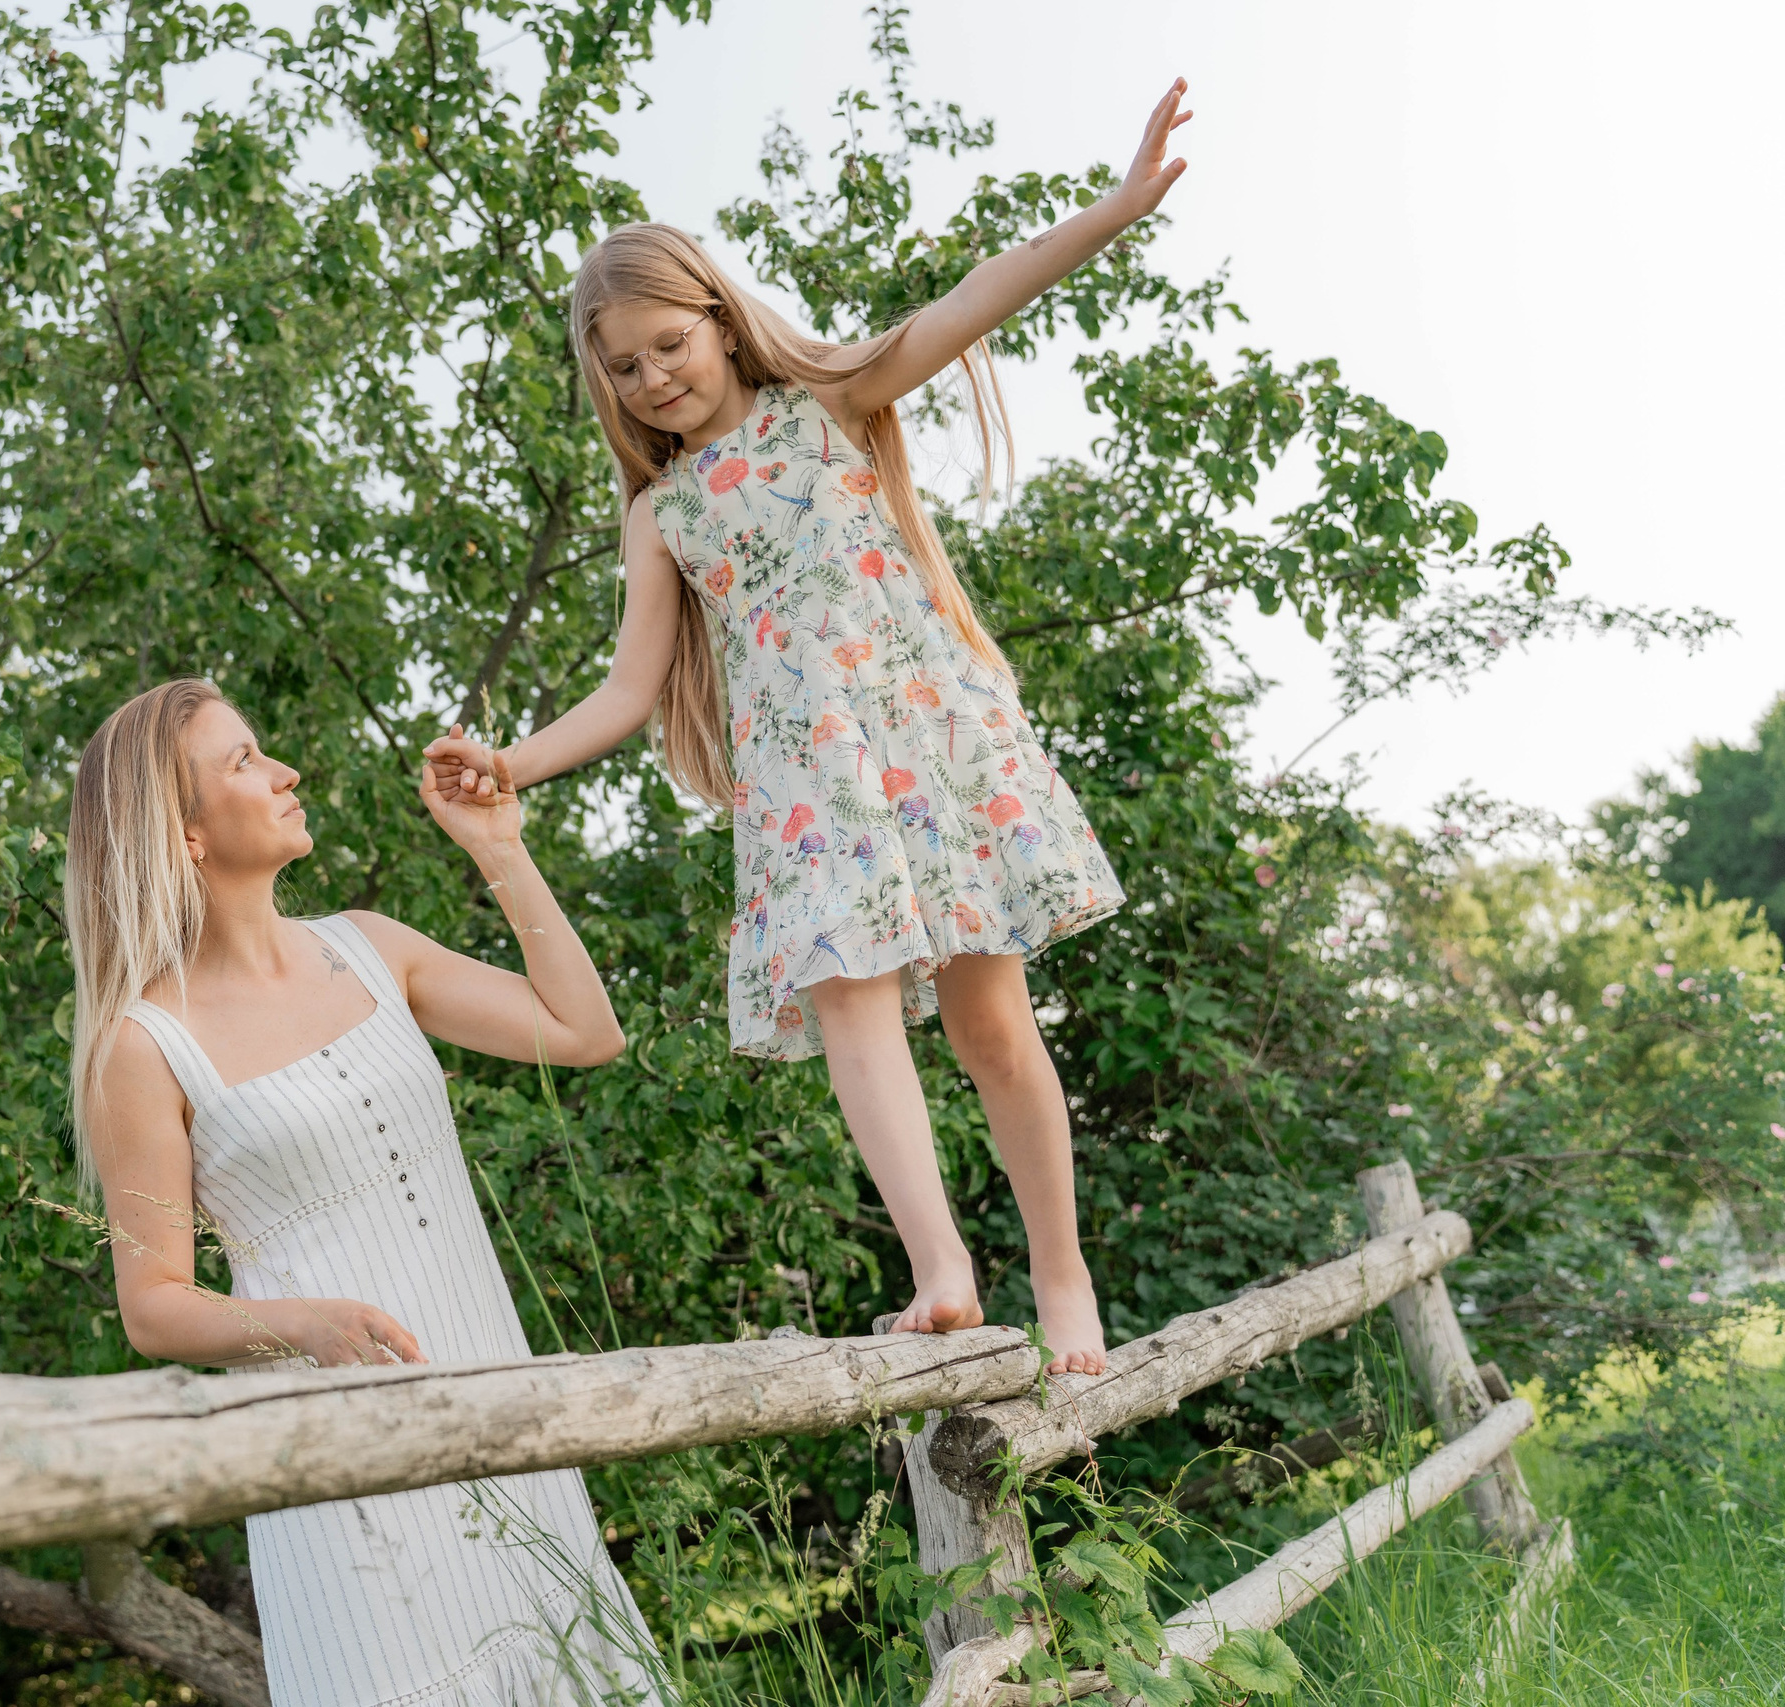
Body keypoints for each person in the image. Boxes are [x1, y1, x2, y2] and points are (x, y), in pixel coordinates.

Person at [426, 82, 1195, 1377]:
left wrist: (1115, 208)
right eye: (622, 366)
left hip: (929, 736)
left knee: (991, 1020)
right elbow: (629, 688)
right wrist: (514, 760)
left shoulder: (828, 406)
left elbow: (974, 299)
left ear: (720, 322)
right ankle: (941, 1266)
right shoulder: (660, 516)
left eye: (668, 343)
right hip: (804, 786)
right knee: (852, 1010)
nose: (652, 376)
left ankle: (1063, 1277)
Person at [67, 679, 669, 1705]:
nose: (285, 771)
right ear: (187, 833)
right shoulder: (143, 1045)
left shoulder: (369, 946)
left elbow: (585, 1034)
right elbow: (153, 1306)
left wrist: (498, 849)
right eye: (244, 762)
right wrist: (304, 1325)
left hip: (497, 1415)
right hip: (337, 1467)